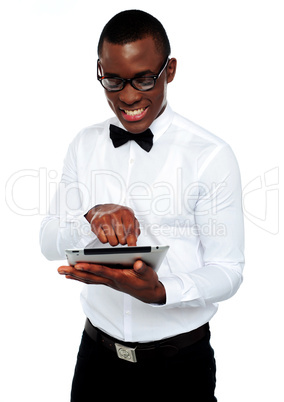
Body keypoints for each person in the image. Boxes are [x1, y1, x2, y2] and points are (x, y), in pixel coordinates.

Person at [40, 9, 244, 401]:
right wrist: (89, 218)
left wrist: (163, 291)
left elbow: (229, 270)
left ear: (169, 71)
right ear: (100, 70)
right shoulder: (83, 145)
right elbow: (48, 242)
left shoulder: (210, 155)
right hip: (95, 363)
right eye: (113, 80)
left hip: (178, 370)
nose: (129, 96)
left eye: (144, 79)